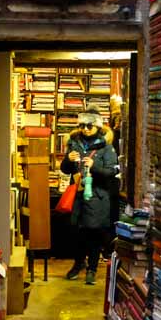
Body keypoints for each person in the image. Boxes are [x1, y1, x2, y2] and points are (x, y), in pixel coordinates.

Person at [60, 108, 119, 284]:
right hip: (78, 195)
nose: (85, 129)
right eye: (82, 125)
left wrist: (93, 166)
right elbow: (65, 169)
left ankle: (92, 268)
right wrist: (68, 160)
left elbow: (110, 172)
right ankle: (78, 264)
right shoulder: (74, 142)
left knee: (94, 234)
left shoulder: (106, 147)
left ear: (98, 126)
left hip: (98, 197)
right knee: (77, 232)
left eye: (89, 126)